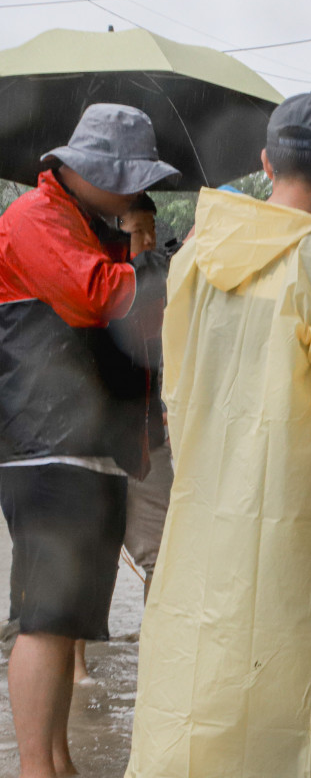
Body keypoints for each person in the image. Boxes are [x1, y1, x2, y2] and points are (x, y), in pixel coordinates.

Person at [124, 93, 311, 778]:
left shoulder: (195, 258)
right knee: (288, 684)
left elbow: (177, 389)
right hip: (296, 515)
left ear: (267, 161)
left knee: (196, 672)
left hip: (207, 506)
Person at [0, 103, 177, 778]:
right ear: (95, 171)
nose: (138, 194)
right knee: (45, 617)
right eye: (130, 179)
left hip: (86, 445)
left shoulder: (86, 224)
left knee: (66, 617)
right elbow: (99, 297)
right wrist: (157, 263)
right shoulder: (34, 221)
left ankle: (58, 762)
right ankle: (36, 769)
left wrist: (142, 251)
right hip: (48, 444)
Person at [73, 193, 176, 685]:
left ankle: (161, 655)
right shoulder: (87, 282)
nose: (151, 239)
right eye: (139, 230)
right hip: (92, 442)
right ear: (112, 234)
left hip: (148, 439)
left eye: (153, 229)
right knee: (86, 558)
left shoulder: (158, 290)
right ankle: (74, 668)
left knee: (166, 553)